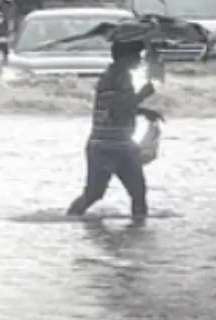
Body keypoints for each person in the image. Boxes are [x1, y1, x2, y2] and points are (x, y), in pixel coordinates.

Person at [67, 39, 163, 222]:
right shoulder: (113, 77)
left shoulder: (118, 75)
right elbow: (119, 107)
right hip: (107, 145)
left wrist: (143, 111)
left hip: (118, 143)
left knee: (135, 193)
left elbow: (115, 107)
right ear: (125, 57)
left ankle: (137, 232)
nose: (139, 60)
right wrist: (144, 94)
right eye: (136, 56)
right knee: (97, 194)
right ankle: (70, 221)